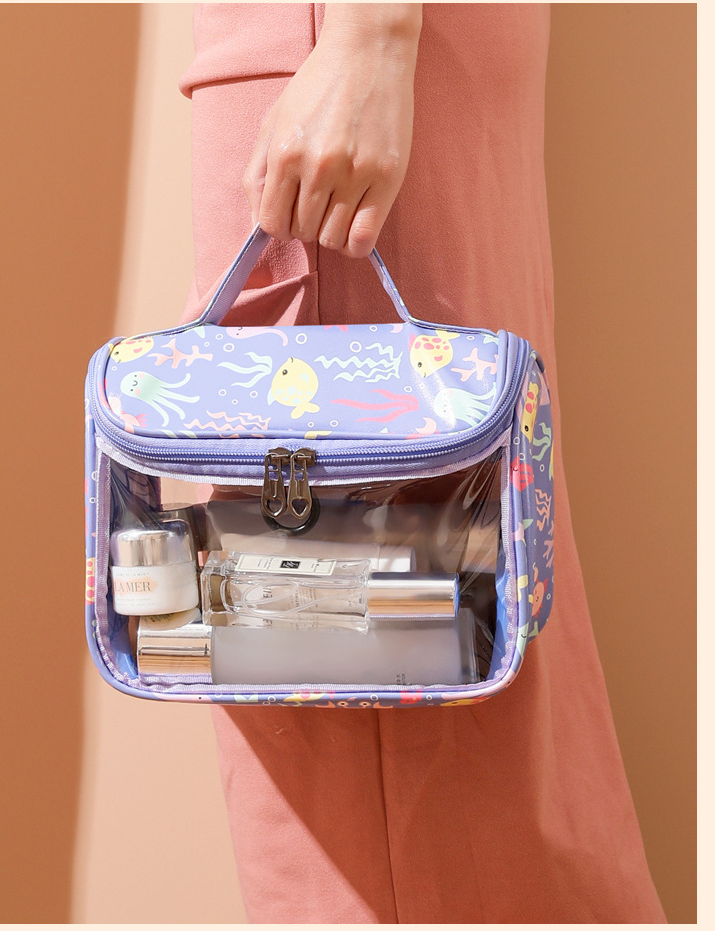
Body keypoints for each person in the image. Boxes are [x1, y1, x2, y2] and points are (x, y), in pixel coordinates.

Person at [178, 3, 666, 923]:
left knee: (373, 745)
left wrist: (371, 37)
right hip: (356, 53)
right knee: (471, 635)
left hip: (327, 50)